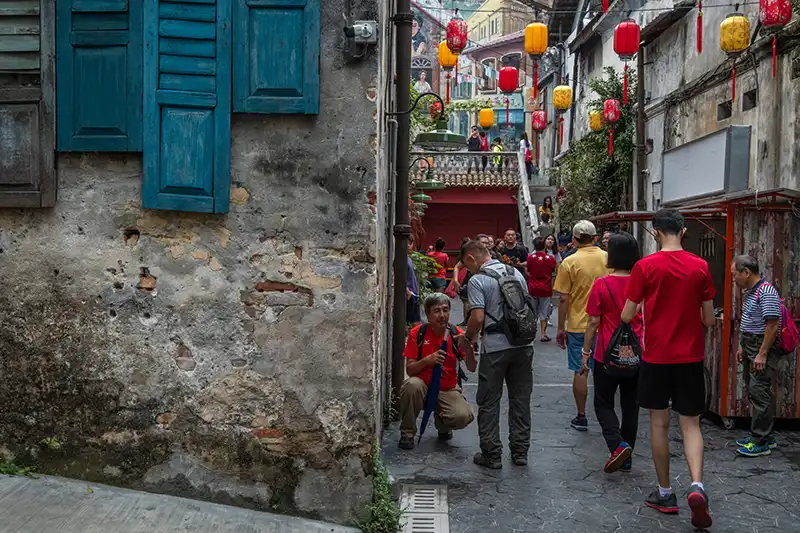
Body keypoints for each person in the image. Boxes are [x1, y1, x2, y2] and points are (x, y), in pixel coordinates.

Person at [620, 208, 715, 530]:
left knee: (659, 424)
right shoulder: (700, 267)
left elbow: (627, 314)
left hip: (656, 356)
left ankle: (665, 492)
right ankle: (697, 485)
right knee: (691, 424)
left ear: (654, 232)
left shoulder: (645, 267)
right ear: (684, 231)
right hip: (691, 357)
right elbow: (708, 319)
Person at [457, 240, 534, 469]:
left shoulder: (478, 280)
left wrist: (468, 338)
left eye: (466, 265)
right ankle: (520, 452)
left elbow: (478, 317)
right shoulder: (516, 273)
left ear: (471, 258)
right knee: (520, 400)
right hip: (522, 345)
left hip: (495, 347)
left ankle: (491, 454)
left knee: (489, 401)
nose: (467, 270)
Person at [582, 232, 643, 473]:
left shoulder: (602, 284)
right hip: (637, 353)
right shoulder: (642, 284)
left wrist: (585, 352)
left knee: (603, 404)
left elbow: (593, 322)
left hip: (606, 354)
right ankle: (626, 457)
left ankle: (617, 446)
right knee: (631, 407)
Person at [398, 293, 476, 450]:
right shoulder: (418, 333)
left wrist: (469, 350)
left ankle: (443, 423)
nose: (442, 315)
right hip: (423, 387)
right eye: (437, 311)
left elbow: (472, 367)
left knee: (464, 416)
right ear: (428, 314)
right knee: (411, 386)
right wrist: (427, 360)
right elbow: (410, 369)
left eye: (446, 310)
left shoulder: (457, 334)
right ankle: (407, 432)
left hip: (447, 388)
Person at [553, 220, 608, 432]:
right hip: (605, 323)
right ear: (595, 238)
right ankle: (606, 412)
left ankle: (581, 415)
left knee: (580, 370)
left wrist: (560, 327)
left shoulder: (568, 262)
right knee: (604, 370)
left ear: (574, 240)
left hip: (578, 324)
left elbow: (564, 299)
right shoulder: (607, 258)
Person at [731, 255, 784, 457]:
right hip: (750, 345)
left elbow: (772, 325)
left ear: (746, 272)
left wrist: (762, 354)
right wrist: (742, 348)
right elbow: (749, 323)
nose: (734, 279)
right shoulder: (751, 292)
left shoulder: (766, 291)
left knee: (759, 391)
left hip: (760, 346)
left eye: (735, 274)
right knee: (754, 390)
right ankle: (765, 436)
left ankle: (760, 440)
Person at [526, 237, 557, 342]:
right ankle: (543, 334)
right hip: (546, 288)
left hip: (533, 287)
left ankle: (532, 333)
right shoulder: (550, 258)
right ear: (544, 246)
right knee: (544, 312)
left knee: (532, 311)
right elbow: (553, 270)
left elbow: (528, 271)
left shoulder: (530, 257)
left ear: (534, 246)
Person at [406, 235, 421, 326]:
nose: (409, 246)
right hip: (410, 293)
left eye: (410, 243)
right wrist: (407, 292)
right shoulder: (402, 259)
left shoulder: (409, 259)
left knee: (416, 323)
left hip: (414, 293)